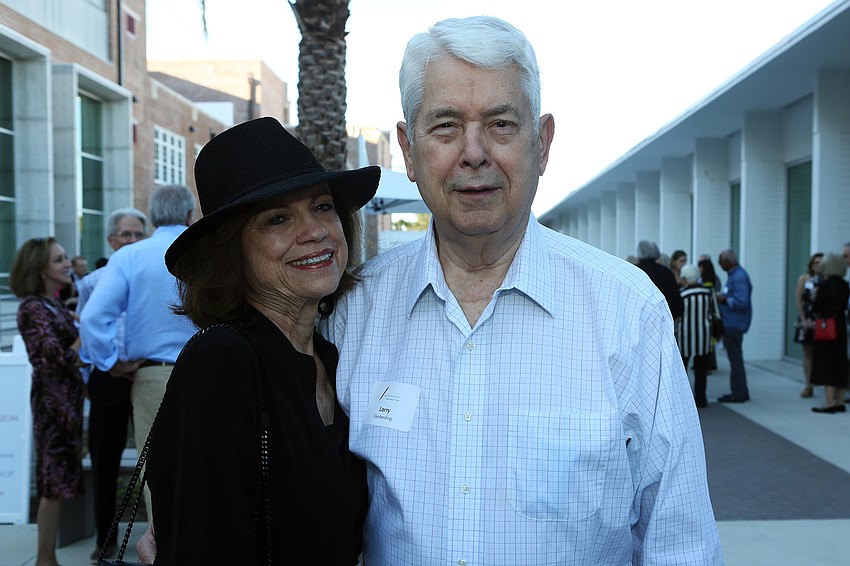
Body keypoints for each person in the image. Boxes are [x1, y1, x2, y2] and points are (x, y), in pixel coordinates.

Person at [322, 16, 721, 564]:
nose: (474, 153)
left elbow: (681, 541)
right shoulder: (352, 311)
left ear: (544, 142)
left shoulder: (629, 312)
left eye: (501, 124)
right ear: (408, 153)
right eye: (445, 127)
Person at [139, 117, 377, 563]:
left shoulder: (329, 354)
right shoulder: (222, 363)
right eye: (278, 218)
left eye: (323, 207)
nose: (315, 230)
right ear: (231, 251)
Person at [79, 184, 198, 516]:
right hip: (210, 369)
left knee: (157, 468)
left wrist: (109, 362)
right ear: (189, 214)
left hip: (153, 375)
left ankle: (164, 548)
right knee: (209, 462)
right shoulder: (206, 251)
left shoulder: (130, 256)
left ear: (153, 216)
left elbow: (92, 317)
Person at [76, 207, 148, 561]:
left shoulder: (151, 275)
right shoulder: (92, 282)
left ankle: (160, 537)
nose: (132, 241)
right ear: (111, 240)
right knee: (105, 462)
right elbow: (86, 331)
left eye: (138, 234)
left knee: (160, 461)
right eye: (126, 235)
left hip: (147, 374)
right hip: (108, 376)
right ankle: (105, 539)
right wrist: (110, 365)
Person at [10, 237, 85, 566]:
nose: (67, 263)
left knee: (58, 482)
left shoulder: (52, 304)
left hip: (66, 402)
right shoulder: (32, 307)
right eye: (58, 260)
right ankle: (45, 560)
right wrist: (84, 338)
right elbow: (51, 358)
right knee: (52, 483)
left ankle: (47, 558)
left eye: (66, 257)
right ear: (40, 269)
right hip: (53, 405)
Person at [809, 252, 849, 413]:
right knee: (839, 361)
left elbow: (817, 307)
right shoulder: (845, 285)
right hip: (840, 325)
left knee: (826, 362)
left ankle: (829, 402)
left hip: (826, 325)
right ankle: (839, 400)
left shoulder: (825, 285)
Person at [716, 249, 753, 403]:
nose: (720, 265)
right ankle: (741, 390)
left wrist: (724, 299)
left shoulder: (739, 277)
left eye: (721, 262)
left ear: (727, 262)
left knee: (735, 358)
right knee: (735, 358)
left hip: (734, 323)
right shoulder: (735, 275)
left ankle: (738, 392)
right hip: (732, 322)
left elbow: (742, 302)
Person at [676, 265, 714, 408]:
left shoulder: (682, 294)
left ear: (685, 279)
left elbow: (678, 316)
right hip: (703, 337)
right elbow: (714, 313)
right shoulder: (708, 292)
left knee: (682, 370)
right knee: (701, 370)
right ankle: (701, 398)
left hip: (685, 337)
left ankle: (683, 400)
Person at [793, 252, 823, 398]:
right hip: (807, 317)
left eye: (821, 262)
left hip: (822, 319)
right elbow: (799, 300)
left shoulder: (826, 279)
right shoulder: (804, 278)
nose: (818, 265)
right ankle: (808, 385)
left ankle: (823, 382)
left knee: (823, 351)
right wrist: (804, 319)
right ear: (811, 264)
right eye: (816, 262)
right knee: (807, 351)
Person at [636, 240, 685, 321]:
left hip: (639, 320)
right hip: (661, 320)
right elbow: (677, 304)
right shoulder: (666, 273)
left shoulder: (634, 271)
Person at [698, 257, 722, 372]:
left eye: (701, 267)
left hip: (708, 315)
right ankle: (710, 364)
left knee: (709, 342)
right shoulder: (714, 279)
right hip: (710, 314)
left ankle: (709, 364)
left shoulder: (707, 283)